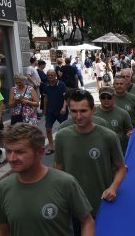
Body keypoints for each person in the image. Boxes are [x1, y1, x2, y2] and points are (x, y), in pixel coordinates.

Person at [54, 90, 126, 218]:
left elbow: (121, 168)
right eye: (74, 111)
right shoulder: (61, 136)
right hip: (73, 205)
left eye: (83, 111)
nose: (78, 116)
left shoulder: (109, 136)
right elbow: (58, 169)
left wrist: (113, 188)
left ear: (93, 110)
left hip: (102, 203)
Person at [93, 86, 134, 153]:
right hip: (99, 150)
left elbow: (129, 130)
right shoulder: (93, 113)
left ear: (114, 98)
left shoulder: (123, 113)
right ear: (99, 98)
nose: (106, 100)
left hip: (118, 150)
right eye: (103, 97)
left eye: (109, 97)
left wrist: (129, 134)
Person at [40, 69, 68, 155]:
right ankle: (51, 146)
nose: (50, 76)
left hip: (61, 111)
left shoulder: (62, 84)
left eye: (52, 75)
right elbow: (45, 98)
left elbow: (66, 98)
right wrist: (44, 109)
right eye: (49, 75)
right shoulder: (45, 85)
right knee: (48, 129)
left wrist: (64, 107)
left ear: (55, 76)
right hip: (50, 111)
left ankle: (65, 146)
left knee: (65, 129)